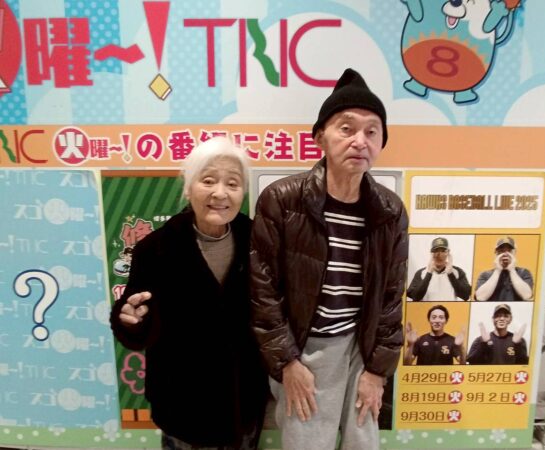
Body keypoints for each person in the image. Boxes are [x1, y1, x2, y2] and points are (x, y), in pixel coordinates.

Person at [250, 68, 409, 450]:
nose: (360, 141)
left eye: (372, 131)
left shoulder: (390, 211)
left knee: (363, 443)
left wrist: (377, 371)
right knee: (306, 443)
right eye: (346, 128)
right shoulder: (282, 200)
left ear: (382, 141)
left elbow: (391, 299)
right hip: (304, 348)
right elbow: (262, 292)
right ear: (320, 136)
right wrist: (288, 363)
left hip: (361, 347)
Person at [110, 137, 268, 450]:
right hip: (182, 404)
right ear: (188, 188)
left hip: (242, 401)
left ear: (243, 193)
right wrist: (130, 320)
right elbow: (137, 323)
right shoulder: (155, 249)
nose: (220, 193)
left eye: (232, 183)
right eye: (208, 180)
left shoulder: (259, 242)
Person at [406, 237, 471, 301]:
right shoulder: (421, 273)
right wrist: (429, 273)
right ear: (431, 253)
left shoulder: (458, 272)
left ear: (448, 253)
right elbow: (415, 297)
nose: (439, 255)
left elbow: (465, 296)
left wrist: (450, 274)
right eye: (436, 251)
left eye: (443, 251)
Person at [474, 236, 533, 301]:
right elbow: (480, 298)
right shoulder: (485, 275)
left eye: (509, 251)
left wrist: (512, 270)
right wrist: (498, 270)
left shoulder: (524, 273)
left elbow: (527, 296)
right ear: (496, 253)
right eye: (501, 251)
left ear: (514, 253)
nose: (505, 254)